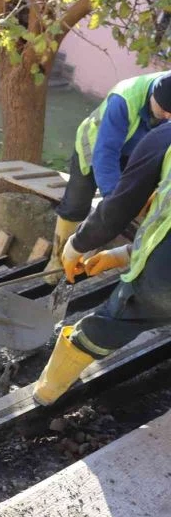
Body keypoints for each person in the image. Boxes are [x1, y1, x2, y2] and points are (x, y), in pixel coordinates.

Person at [33, 122, 171, 405]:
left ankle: (46, 391)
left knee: (114, 319)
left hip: (165, 281)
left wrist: (76, 245)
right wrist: (123, 254)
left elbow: (120, 205)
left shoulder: (164, 137)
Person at [43, 72, 171, 283]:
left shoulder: (166, 93)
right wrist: (115, 201)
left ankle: (86, 257)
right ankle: (58, 261)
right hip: (95, 148)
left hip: (131, 152)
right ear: (153, 95)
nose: (168, 117)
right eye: (165, 111)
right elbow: (105, 154)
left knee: (117, 207)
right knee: (75, 205)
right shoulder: (124, 99)